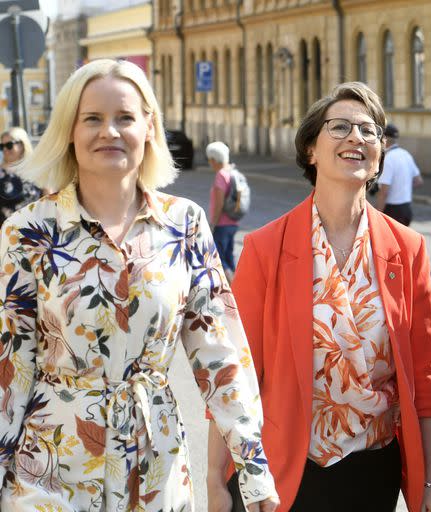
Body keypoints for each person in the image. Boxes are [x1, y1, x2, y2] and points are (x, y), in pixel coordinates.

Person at [0, 59, 278, 511]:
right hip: (50, 466)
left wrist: (253, 466)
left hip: (156, 462)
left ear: (149, 127)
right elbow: (9, 365)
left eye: (124, 117)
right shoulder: (28, 230)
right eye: (93, 118)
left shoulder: (184, 224)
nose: (109, 130)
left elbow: (219, 352)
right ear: (69, 129)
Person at [207, 82, 431, 512]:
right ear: (311, 150)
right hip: (281, 471)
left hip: (373, 473)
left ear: (378, 158)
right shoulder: (266, 247)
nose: (356, 137)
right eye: (339, 127)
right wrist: (214, 480)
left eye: (369, 130)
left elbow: (426, 381)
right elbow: (233, 374)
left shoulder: (407, 249)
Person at [375, 124, 423, 226]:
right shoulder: (406, 154)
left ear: (384, 139)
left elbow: (384, 192)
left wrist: (377, 216)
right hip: (406, 209)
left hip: (392, 212)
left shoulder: (388, 159)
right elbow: (418, 181)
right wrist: (402, 186)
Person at [207, 140, 239, 282]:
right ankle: (240, 287)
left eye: (210, 160)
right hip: (233, 223)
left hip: (222, 224)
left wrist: (212, 223)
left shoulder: (220, 175)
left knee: (219, 258)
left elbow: (219, 202)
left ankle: (235, 290)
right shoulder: (231, 171)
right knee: (229, 257)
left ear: (214, 160)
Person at [0, 127, 42, 225]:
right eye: (2, 146)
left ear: (22, 145)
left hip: (37, 232)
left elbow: (50, 199)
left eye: (9, 145)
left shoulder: (38, 169)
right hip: (7, 234)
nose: (5, 149)